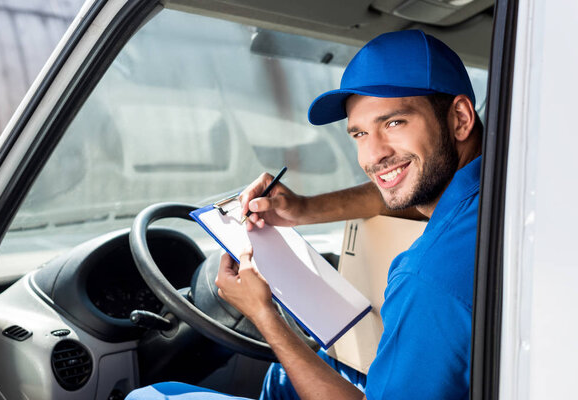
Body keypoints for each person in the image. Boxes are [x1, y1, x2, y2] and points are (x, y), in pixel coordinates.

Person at [127, 29, 482, 400]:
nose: (373, 155)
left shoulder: (426, 278)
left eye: (394, 123)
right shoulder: (504, 187)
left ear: (460, 118)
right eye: (359, 133)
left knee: (151, 396)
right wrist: (301, 209)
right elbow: (413, 189)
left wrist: (264, 316)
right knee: (284, 380)